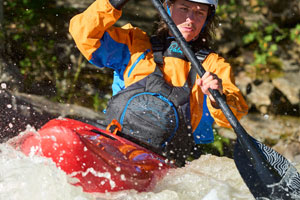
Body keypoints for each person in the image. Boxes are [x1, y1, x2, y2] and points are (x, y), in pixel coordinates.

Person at [69, 0, 248, 166]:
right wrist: (114, 2)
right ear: (168, 7)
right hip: (114, 146)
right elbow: (84, 34)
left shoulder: (213, 66)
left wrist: (217, 97)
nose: (190, 19)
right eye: (184, 9)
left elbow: (233, 115)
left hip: (163, 164)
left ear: (207, 19)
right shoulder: (135, 44)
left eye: (200, 13)